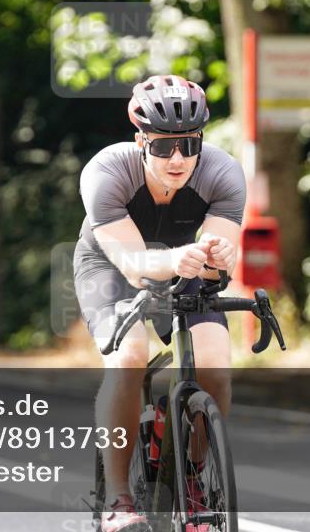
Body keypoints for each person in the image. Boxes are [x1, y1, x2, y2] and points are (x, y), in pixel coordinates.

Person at [74, 75, 246, 532]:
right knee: (128, 358)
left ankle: (194, 482)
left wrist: (219, 258)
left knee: (214, 363)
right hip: (111, 266)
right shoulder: (106, 173)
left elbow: (216, 263)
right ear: (140, 141)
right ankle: (118, 498)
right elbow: (132, 265)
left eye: (189, 146)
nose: (177, 159)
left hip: (185, 264)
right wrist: (176, 258)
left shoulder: (222, 172)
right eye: (163, 147)